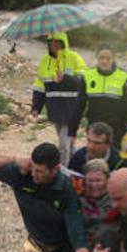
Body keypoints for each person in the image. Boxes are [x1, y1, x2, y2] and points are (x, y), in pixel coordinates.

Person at [31, 32, 87, 166]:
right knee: (68, 144)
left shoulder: (74, 58)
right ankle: (76, 167)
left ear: (63, 43)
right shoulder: (45, 61)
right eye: (51, 43)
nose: (54, 45)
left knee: (63, 145)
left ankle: (63, 173)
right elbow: (40, 86)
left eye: (57, 42)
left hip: (71, 108)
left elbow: (83, 81)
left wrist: (65, 79)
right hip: (55, 108)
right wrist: (36, 107)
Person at [76, 46, 127, 141]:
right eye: (101, 58)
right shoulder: (87, 76)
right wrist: (72, 130)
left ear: (113, 59)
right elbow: (79, 105)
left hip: (117, 129)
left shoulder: (124, 76)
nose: (104, 61)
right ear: (96, 58)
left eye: (108, 58)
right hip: (94, 127)